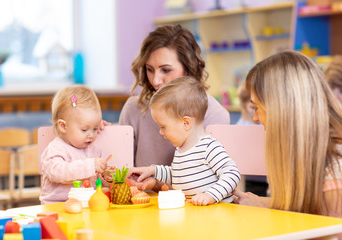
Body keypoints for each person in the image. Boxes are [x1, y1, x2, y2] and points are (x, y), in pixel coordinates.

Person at [119, 24, 230, 191]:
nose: (155, 80)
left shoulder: (214, 115)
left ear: (189, 69)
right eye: (150, 70)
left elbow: (213, 182)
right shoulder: (134, 108)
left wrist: (158, 184)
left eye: (166, 70)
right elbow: (120, 172)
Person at [233, 51, 342, 220]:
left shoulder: (336, 169)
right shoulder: (310, 148)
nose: (255, 118)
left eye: (257, 108)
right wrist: (260, 203)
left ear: (281, 110)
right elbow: (306, 208)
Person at [128, 77, 240, 206]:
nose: (160, 132)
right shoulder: (182, 150)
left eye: (163, 126)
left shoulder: (208, 147)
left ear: (186, 123)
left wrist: (211, 195)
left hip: (219, 215)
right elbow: (178, 175)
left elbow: (232, 173)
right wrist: (152, 170)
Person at [40, 85, 110, 204]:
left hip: (86, 204)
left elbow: (94, 179)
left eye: (95, 128)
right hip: (57, 206)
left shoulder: (93, 149)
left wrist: (104, 177)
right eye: (84, 129)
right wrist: (91, 166)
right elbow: (57, 173)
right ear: (63, 126)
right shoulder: (56, 148)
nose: (91, 135)